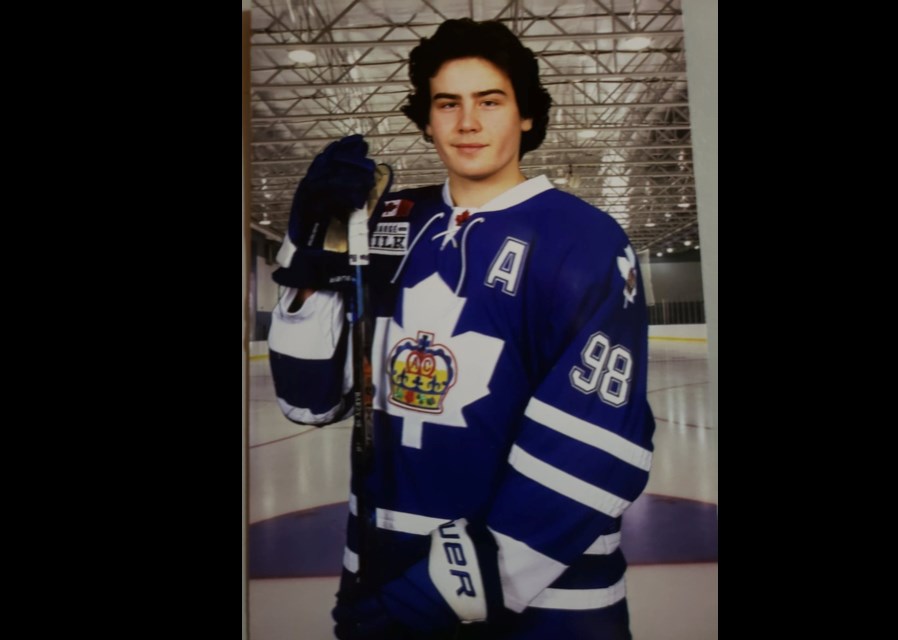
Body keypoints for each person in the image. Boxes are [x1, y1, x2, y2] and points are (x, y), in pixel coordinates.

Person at [267, 18, 656, 640]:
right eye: (448, 103)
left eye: (490, 101)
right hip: (381, 571)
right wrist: (311, 253)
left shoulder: (584, 240)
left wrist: (453, 586)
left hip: (546, 602)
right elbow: (308, 400)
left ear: (526, 115)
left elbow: (597, 442)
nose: (467, 122)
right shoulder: (388, 222)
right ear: (427, 119)